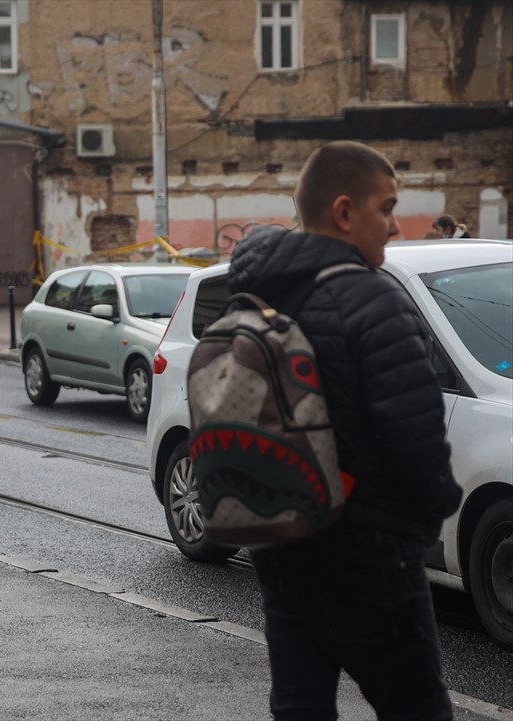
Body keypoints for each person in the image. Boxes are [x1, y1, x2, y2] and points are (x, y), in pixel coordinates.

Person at [225, 141, 462, 720]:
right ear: (344, 212)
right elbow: (415, 435)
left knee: (300, 707)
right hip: (369, 546)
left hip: (279, 535)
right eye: (386, 208)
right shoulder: (375, 301)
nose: (396, 227)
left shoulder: (257, 295)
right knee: (417, 709)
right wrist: (431, 513)